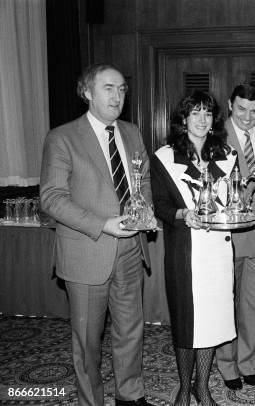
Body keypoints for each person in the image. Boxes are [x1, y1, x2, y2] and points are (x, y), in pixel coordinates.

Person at [40, 63, 152, 406]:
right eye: (108, 88)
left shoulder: (132, 132)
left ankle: (130, 395)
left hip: (131, 248)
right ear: (86, 92)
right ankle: (92, 401)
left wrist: (143, 210)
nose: (117, 96)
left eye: (121, 89)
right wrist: (102, 224)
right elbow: (51, 198)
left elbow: (142, 181)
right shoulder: (62, 137)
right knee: (88, 340)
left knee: (131, 330)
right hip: (87, 251)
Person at [151, 90, 236, 406]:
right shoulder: (164, 156)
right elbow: (158, 204)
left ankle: (203, 387)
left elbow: (230, 201)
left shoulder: (227, 155)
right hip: (185, 253)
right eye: (195, 113)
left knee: (212, 322)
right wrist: (182, 214)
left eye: (207, 113)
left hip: (218, 251)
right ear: (183, 119)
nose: (202, 119)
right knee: (187, 322)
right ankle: (185, 388)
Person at [215, 83, 255, 390]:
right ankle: (227, 365)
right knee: (227, 302)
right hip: (226, 234)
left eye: (254, 111)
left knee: (253, 304)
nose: (248, 117)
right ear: (230, 105)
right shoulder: (214, 134)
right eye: (241, 109)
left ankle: (247, 363)